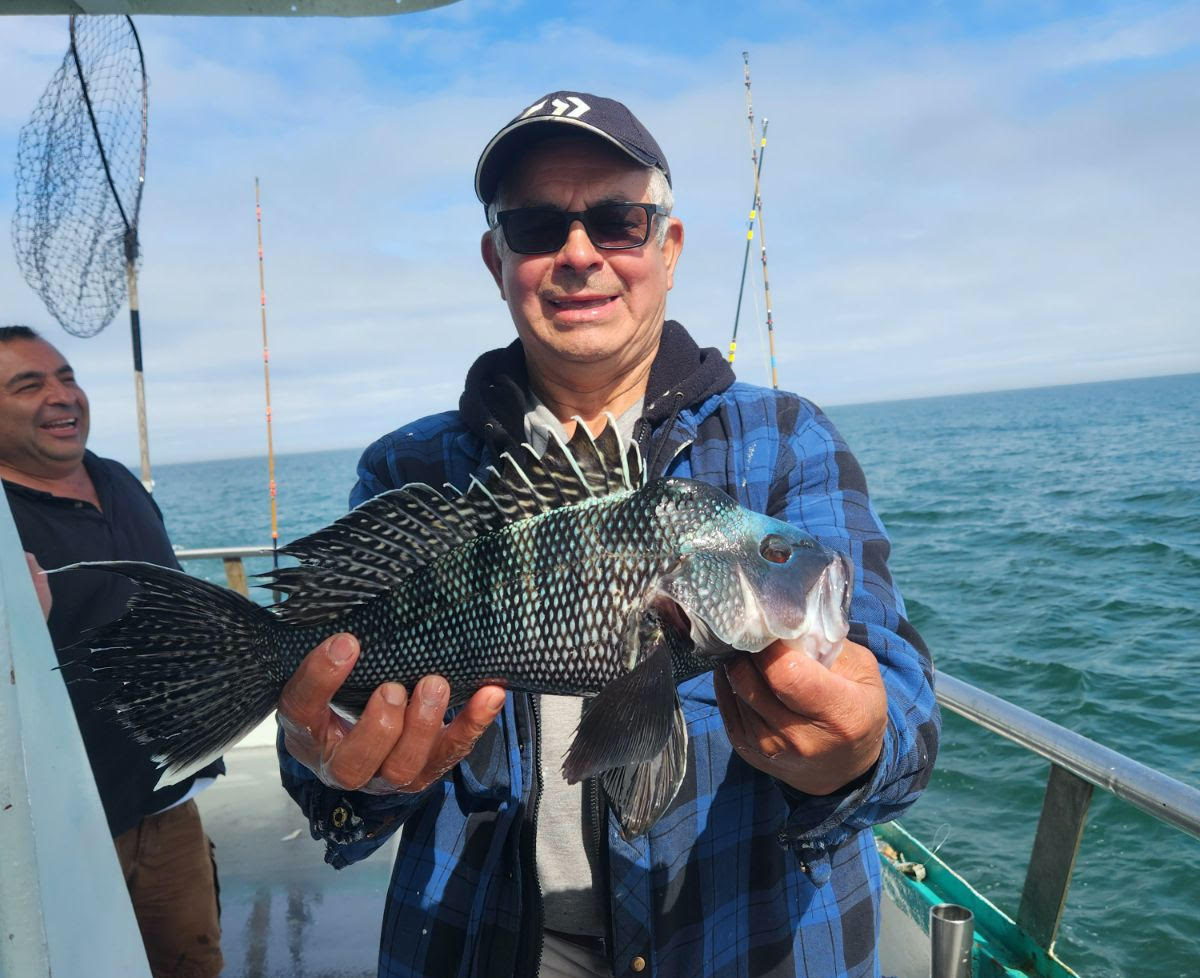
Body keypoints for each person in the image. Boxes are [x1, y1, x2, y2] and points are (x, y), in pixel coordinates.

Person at [277, 92, 940, 978]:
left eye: (619, 220)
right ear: (497, 258)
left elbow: (904, 709)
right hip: (483, 944)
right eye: (537, 225)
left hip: (738, 945)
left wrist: (856, 752)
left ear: (668, 247)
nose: (580, 254)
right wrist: (337, 768)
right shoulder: (412, 469)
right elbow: (329, 780)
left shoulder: (788, 440)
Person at [0, 325, 225, 978]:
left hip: (167, 798)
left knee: (194, 961)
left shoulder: (117, 478)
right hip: (57, 830)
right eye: (29, 384)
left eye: (67, 377)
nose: (61, 395)